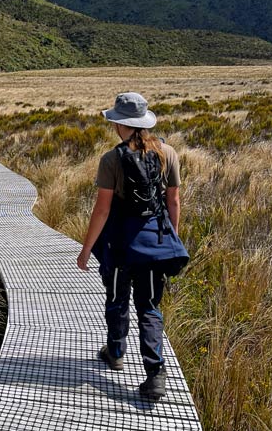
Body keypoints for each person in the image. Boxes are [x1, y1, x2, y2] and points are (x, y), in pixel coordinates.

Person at [76, 92, 188, 400]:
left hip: (120, 243)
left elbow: (102, 210)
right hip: (156, 242)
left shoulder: (112, 160)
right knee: (149, 306)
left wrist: (86, 250)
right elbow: (173, 200)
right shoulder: (168, 153)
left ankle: (115, 351)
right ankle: (155, 375)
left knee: (117, 298)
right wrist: (170, 238)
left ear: (119, 124)